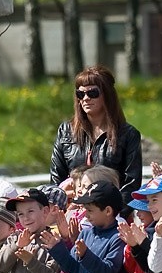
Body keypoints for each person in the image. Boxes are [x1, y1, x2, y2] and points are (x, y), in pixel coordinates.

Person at [50, 65, 142, 209]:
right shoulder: (65, 131)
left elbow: (131, 185)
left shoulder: (128, 134)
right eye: (80, 94)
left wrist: (112, 217)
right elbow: (56, 180)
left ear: (107, 95)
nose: (85, 98)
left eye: (92, 93)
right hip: (72, 213)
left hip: (111, 215)